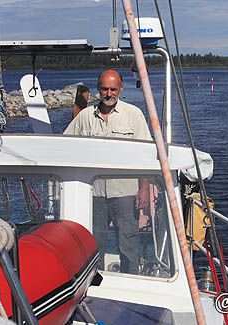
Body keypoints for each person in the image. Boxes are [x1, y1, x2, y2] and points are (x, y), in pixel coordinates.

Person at [64, 69, 151, 274]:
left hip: (125, 193)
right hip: (93, 194)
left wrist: (144, 189)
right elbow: (65, 146)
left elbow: (146, 155)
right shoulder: (85, 116)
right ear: (98, 89)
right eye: (104, 89)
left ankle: (131, 286)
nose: (109, 93)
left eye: (113, 89)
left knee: (128, 245)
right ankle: (95, 287)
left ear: (121, 88)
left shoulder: (133, 115)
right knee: (93, 245)